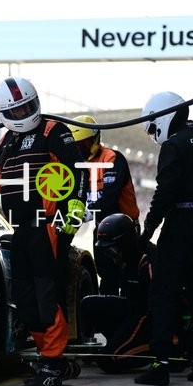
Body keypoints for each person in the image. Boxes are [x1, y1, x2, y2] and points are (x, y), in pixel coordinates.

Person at [0, 77, 86, 386]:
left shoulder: (54, 132)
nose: (23, 115)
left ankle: (53, 362)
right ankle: (50, 358)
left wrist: (70, 217)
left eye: (27, 107)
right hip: (19, 231)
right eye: (15, 111)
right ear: (3, 113)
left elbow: (77, 175)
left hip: (48, 226)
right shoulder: (5, 143)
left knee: (47, 297)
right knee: (25, 299)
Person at [133, 91, 193, 386]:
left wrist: (148, 230)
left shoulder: (174, 145)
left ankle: (160, 364)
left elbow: (166, 192)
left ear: (163, 115)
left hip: (182, 227)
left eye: (152, 125)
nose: (153, 132)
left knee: (163, 293)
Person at [69, 115, 140, 295]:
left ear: (95, 139)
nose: (80, 149)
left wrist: (87, 212)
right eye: (77, 145)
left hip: (126, 229)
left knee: (130, 278)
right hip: (102, 230)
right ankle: (107, 319)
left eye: (83, 144)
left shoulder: (112, 158)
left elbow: (110, 197)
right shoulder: (78, 166)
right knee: (107, 279)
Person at [80, 213, 155, 373]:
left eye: (112, 249)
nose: (110, 254)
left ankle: (145, 348)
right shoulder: (121, 261)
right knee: (89, 303)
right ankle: (118, 343)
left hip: (148, 318)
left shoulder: (147, 259)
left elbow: (158, 305)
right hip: (131, 309)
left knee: (108, 361)